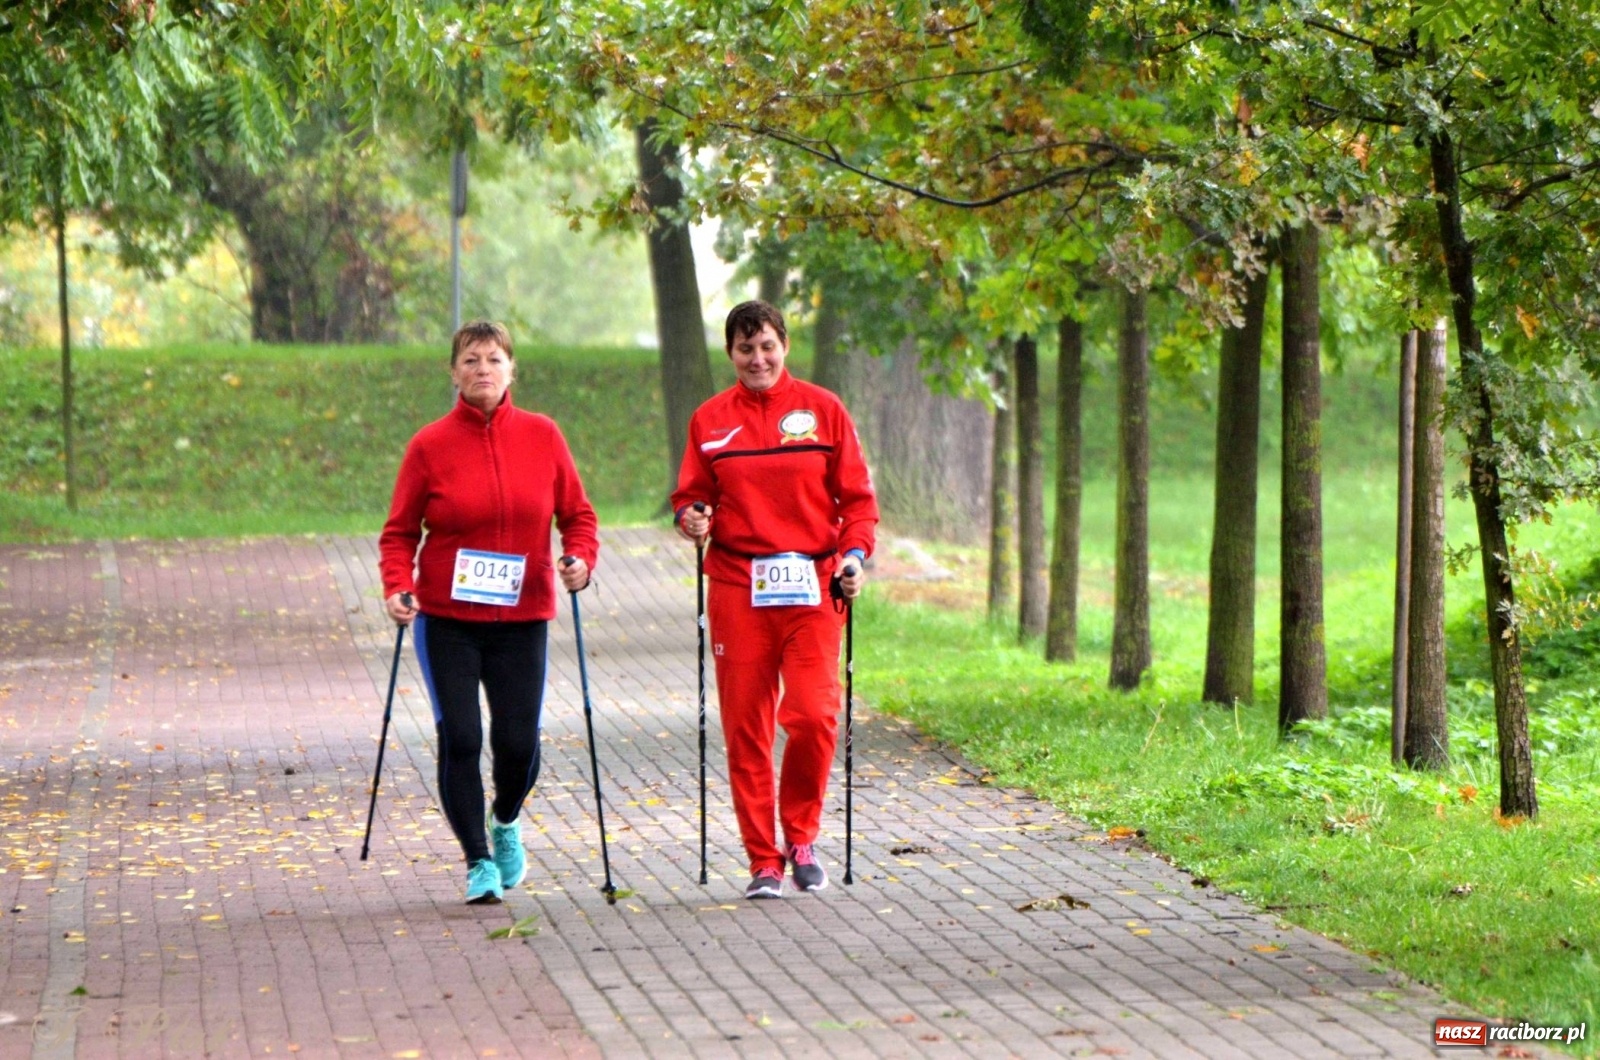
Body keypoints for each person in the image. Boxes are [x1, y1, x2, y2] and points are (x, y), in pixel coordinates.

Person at [379, 321, 599, 905]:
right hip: (447, 619)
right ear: (453, 373)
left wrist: (579, 558)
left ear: (511, 370)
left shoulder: (543, 436)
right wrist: (398, 586)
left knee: (518, 744)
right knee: (462, 736)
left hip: (522, 617)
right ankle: (477, 860)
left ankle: (505, 821)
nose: (483, 369)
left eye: (494, 359)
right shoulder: (429, 446)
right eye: (471, 360)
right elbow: (399, 533)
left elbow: (578, 516)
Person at [672, 299, 879, 899]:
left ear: (784, 345)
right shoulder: (710, 420)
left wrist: (854, 556)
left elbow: (858, 503)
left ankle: (801, 836)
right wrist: (691, 518)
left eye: (766, 346)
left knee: (814, 716)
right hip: (739, 586)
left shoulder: (823, 410)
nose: (757, 358)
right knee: (747, 727)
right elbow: (689, 494)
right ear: (730, 354)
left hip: (813, 585)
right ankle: (764, 859)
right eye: (744, 348)